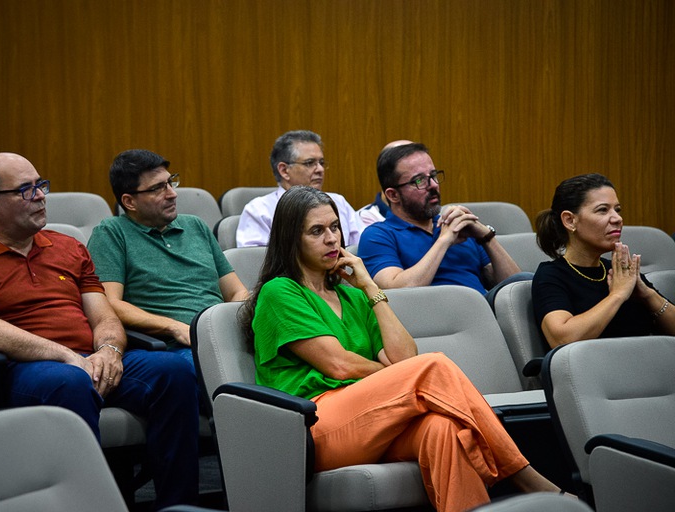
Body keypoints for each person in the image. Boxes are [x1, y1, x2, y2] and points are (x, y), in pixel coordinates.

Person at [240, 186, 567, 512]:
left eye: (334, 227)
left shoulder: (353, 294)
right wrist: (399, 376)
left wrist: (370, 287)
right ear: (291, 239)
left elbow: (403, 359)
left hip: (370, 418)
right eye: (316, 231)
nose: (331, 239)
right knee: (433, 367)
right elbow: (339, 366)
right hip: (314, 426)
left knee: (443, 430)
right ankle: (523, 475)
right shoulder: (279, 291)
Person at [0, 152, 199, 508]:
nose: (42, 196)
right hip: (23, 369)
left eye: (40, 185)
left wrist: (110, 351)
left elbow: (104, 316)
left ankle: (177, 504)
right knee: (69, 381)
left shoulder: (68, 248)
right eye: (26, 190)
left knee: (174, 371)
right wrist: (66, 356)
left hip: (89, 359)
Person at [87, 149, 248, 364]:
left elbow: (236, 290)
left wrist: (233, 323)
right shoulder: (111, 232)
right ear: (129, 202)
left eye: (170, 182)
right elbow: (109, 303)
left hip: (221, 336)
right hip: (171, 347)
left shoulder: (195, 225)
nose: (172, 193)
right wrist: (173, 327)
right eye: (158, 188)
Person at [359, 142, 523, 295]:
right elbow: (399, 292)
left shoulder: (457, 226)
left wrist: (486, 237)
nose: (433, 185)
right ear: (393, 195)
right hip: (436, 323)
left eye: (433, 175)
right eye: (419, 180)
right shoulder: (378, 236)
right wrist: (444, 241)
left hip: (484, 316)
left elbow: (514, 287)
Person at [533, 173, 675, 348]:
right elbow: (562, 339)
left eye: (617, 209)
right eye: (602, 210)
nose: (617, 219)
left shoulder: (620, 271)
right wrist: (617, 295)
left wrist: (648, 295)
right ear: (570, 220)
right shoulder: (551, 275)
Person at [236, 130, 363, 247]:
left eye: (321, 163)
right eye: (309, 163)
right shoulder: (259, 210)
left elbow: (360, 249)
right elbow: (253, 263)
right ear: (284, 170)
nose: (320, 169)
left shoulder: (338, 202)